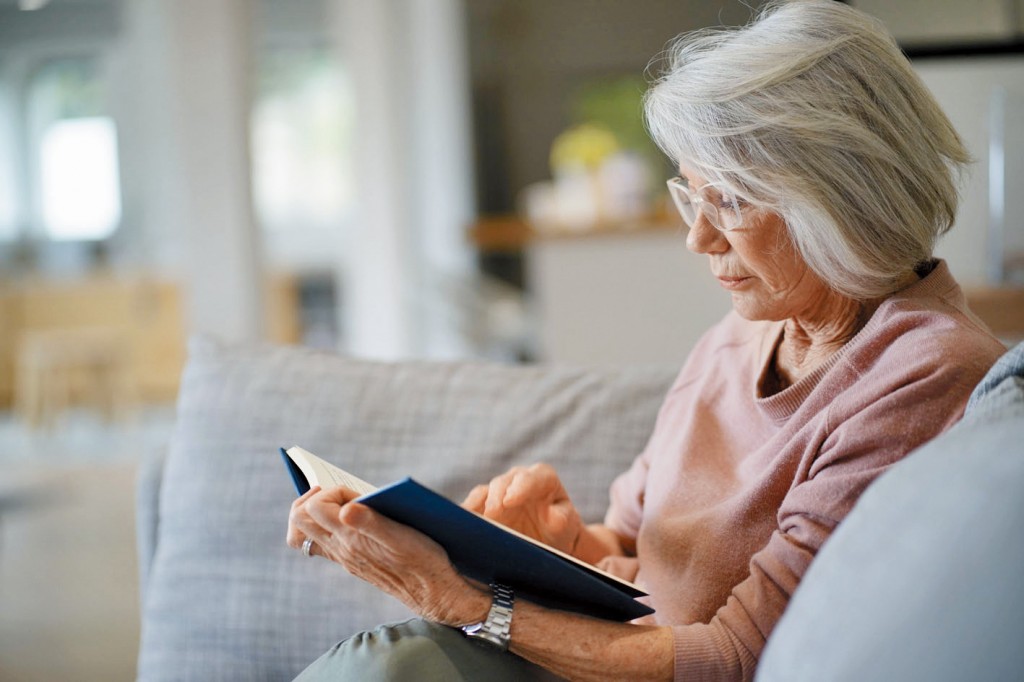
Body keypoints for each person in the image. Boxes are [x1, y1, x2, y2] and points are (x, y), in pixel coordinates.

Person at [286, 1, 1006, 679]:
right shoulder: (740, 335)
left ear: (842, 198)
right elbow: (629, 551)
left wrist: (458, 600)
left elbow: (730, 658)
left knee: (389, 665)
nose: (697, 236)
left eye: (727, 200)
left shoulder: (926, 373)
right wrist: (562, 543)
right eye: (691, 195)